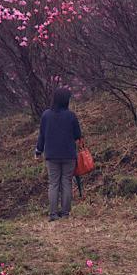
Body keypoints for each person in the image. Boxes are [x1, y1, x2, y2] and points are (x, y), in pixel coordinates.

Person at [35, 88, 82, 221]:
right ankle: (65, 213)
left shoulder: (46, 115)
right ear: (66, 100)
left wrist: (38, 151)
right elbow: (78, 135)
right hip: (68, 154)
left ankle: (53, 214)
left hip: (51, 155)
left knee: (53, 183)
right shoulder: (71, 115)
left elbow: (42, 136)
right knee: (66, 182)